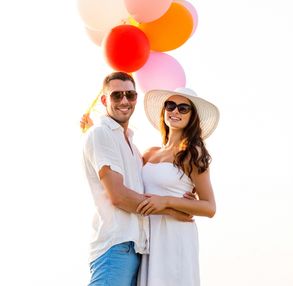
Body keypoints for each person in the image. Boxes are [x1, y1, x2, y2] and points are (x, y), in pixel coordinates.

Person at [81, 72, 195, 286]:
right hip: (115, 246)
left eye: (130, 95)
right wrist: (171, 210)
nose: (124, 101)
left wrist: (181, 191)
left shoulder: (132, 147)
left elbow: (154, 181)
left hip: (137, 248)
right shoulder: (101, 134)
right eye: (116, 96)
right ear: (104, 100)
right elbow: (119, 196)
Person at [136, 87, 220, 286]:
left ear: (192, 117)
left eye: (183, 108)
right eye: (170, 106)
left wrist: (166, 201)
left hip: (175, 235)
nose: (175, 112)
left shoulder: (192, 154)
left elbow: (209, 207)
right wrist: (92, 131)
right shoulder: (149, 153)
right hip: (149, 234)